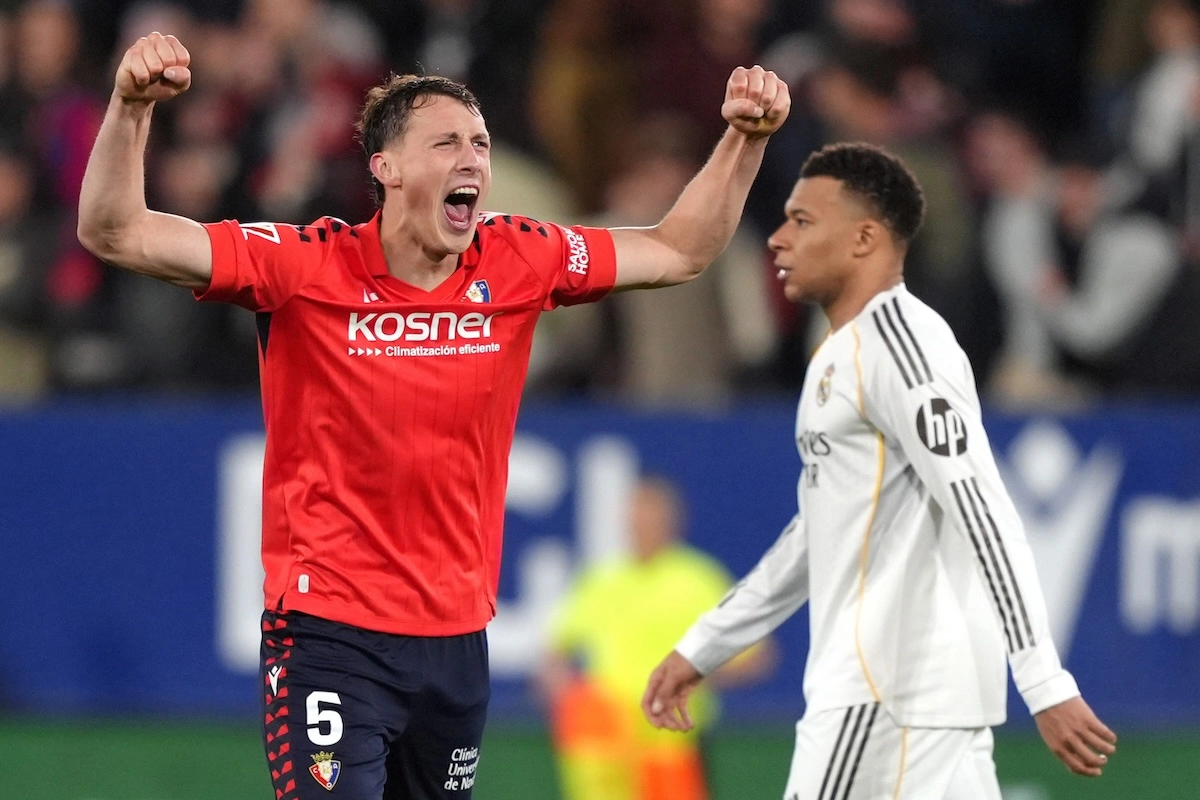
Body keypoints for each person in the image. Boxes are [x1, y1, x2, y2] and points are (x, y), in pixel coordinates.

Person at [76, 31, 789, 800]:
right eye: (446, 141)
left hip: (455, 645)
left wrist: (743, 142)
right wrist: (129, 109)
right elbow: (115, 231)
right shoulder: (302, 265)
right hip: (328, 636)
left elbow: (679, 251)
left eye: (480, 143)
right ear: (385, 168)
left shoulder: (520, 259)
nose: (473, 159)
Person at [641, 143, 1117, 799]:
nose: (778, 239)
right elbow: (816, 533)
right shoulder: (841, 353)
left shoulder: (901, 346)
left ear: (865, 238)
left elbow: (982, 510)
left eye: (803, 221)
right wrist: (707, 645)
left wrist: (1044, 680)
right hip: (917, 702)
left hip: (884, 694)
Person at [538, 476, 773, 800]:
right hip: (610, 747)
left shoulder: (698, 579)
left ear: (672, 521)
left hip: (675, 741)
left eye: (652, 516)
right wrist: (569, 700)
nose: (643, 525)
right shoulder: (601, 579)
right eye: (636, 516)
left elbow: (758, 656)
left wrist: (694, 678)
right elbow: (554, 654)